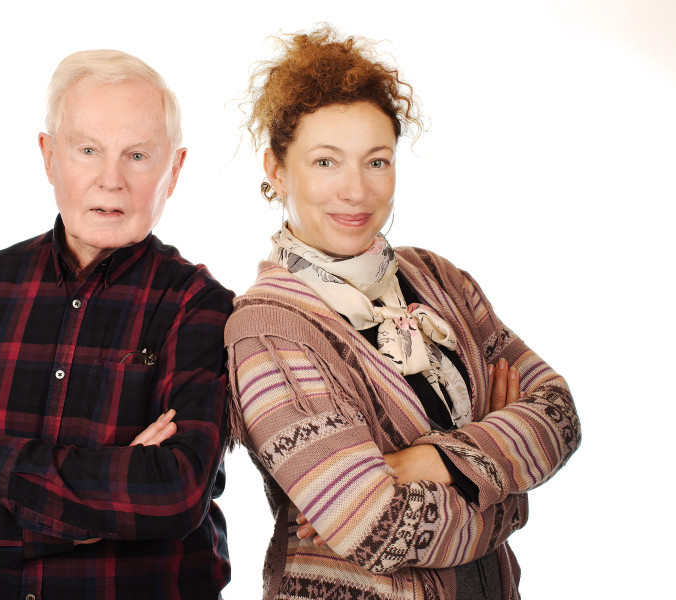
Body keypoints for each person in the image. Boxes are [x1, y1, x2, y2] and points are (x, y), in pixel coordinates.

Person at [0, 49, 233, 600]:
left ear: (173, 170)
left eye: (137, 155)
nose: (111, 180)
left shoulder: (200, 305)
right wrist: (66, 520)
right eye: (87, 150)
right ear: (49, 156)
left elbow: (172, 493)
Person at [225, 27, 580, 600]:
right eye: (325, 162)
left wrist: (436, 459)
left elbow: (559, 415)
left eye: (377, 161)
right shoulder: (267, 332)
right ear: (277, 168)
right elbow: (381, 532)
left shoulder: (439, 279)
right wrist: (510, 492)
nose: (356, 191)